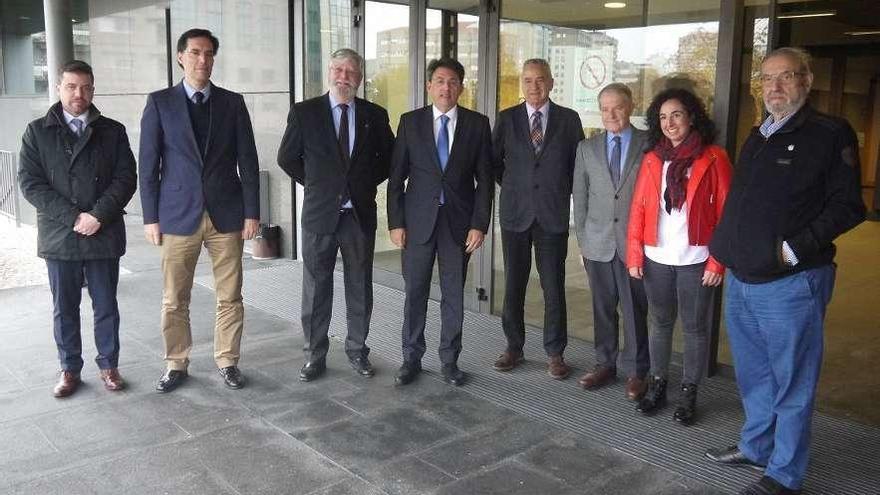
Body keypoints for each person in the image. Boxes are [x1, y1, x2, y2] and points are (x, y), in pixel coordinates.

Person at [706, 47, 865, 495]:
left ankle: (784, 474)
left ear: (806, 81)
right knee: (754, 374)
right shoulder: (759, 134)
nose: (774, 86)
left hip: (792, 282)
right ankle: (757, 446)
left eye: (786, 76)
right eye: (767, 78)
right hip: (743, 279)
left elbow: (848, 206)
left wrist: (793, 251)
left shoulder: (829, 133)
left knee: (793, 381)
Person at [139, 28, 260, 393]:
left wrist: (252, 213)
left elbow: (248, 162)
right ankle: (176, 362)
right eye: (195, 52)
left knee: (231, 295)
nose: (202, 60)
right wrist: (150, 217)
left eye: (208, 53)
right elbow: (148, 166)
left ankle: (228, 360)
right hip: (177, 214)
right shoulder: (160, 103)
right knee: (175, 298)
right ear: (181, 57)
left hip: (227, 214)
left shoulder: (232, 103)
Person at [18, 60, 137, 397]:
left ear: (93, 90)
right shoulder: (37, 131)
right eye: (71, 86)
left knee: (106, 305)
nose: (78, 94)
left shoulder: (112, 131)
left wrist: (97, 216)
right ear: (59, 88)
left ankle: (109, 366)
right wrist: (73, 217)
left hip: (103, 230)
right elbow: (30, 183)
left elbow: (126, 178)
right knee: (64, 307)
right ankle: (69, 369)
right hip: (60, 234)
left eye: (85, 87)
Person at [277, 48, 394, 381]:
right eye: (339, 70)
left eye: (351, 72)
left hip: (358, 216)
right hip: (320, 216)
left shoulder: (375, 114)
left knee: (360, 287)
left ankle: (358, 351)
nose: (344, 77)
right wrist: (319, 185)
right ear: (329, 72)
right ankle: (314, 356)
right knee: (316, 290)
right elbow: (287, 158)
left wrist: (360, 184)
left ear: (360, 77)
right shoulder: (305, 113)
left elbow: (389, 159)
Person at [626, 87, 732, 425]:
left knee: (694, 327)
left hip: (697, 259)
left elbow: (728, 213)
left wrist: (718, 261)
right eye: (662, 117)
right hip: (656, 256)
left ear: (691, 117)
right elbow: (639, 209)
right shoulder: (653, 158)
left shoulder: (714, 157)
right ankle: (658, 383)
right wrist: (635, 255)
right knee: (659, 322)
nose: (669, 123)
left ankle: (689, 392)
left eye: (676, 115)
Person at [387, 58, 493, 387]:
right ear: (429, 86)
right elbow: (396, 178)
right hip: (417, 223)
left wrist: (479, 224)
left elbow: (485, 181)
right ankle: (411, 358)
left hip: (458, 226)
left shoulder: (477, 124)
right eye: (440, 81)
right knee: (415, 292)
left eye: (453, 82)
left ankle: (450, 360)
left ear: (461, 87)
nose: (446, 87)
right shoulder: (410, 122)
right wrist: (396, 222)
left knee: (453, 295)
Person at [491, 59, 584, 379]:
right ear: (522, 83)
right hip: (515, 214)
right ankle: (513, 347)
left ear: (551, 82)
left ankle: (555, 353)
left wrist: (555, 190)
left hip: (552, 215)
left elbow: (577, 168)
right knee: (513, 285)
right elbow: (494, 163)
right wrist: (518, 187)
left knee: (553, 287)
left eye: (540, 79)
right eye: (528, 80)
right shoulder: (506, 119)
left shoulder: (569, 120)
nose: (534, 86)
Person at [572, 82, 650, 400]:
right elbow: (580, 198)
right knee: (602, 308)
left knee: (634, 309)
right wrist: (583, 242)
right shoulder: (586, 148)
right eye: (605, 109)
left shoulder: (649, 145)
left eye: (617, 107)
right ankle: (605, 364)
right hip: (598, 243)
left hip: (634, 244)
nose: (611, 114)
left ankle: (637, 371)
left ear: (630, 106)